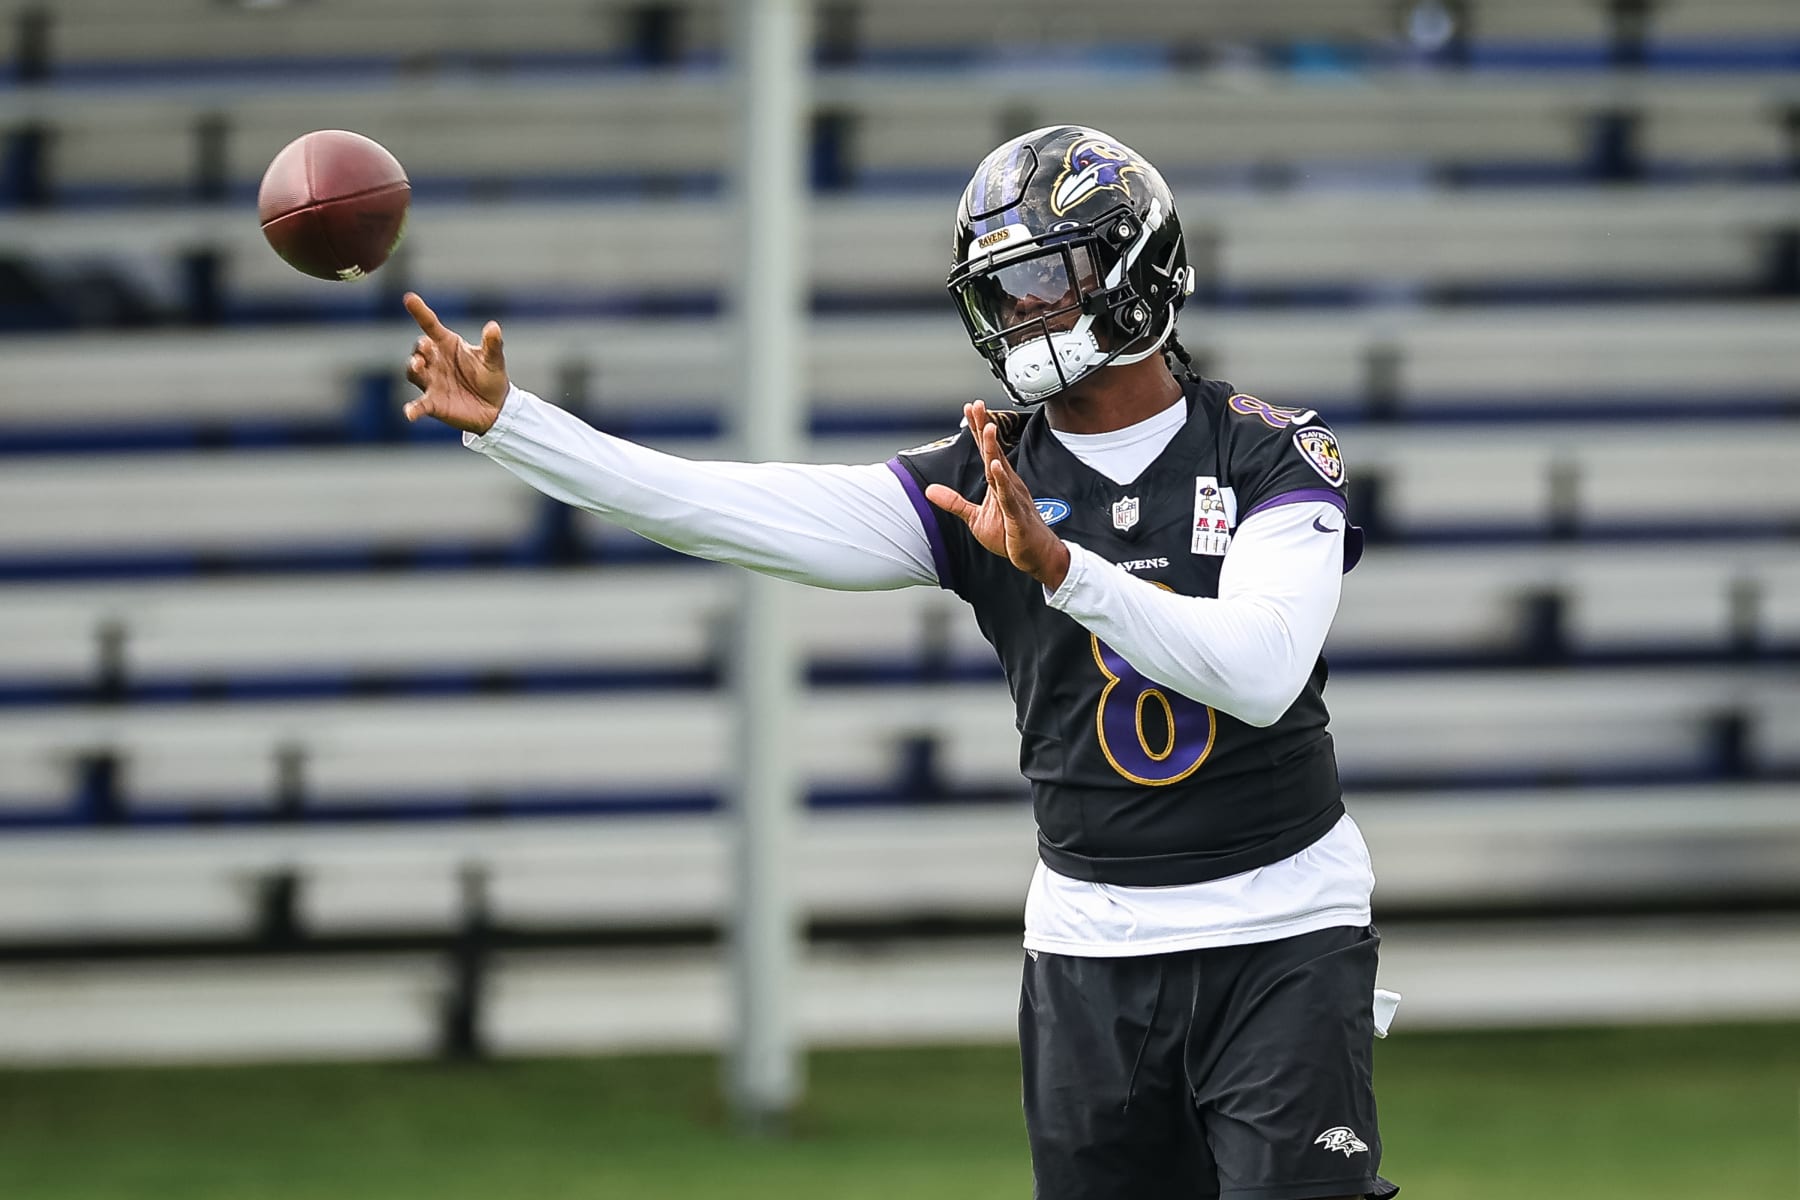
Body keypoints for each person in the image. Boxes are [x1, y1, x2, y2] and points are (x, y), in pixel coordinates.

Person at [401, 123, 1396, 1200]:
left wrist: (1065, 569)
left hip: (1283, 921)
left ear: (1133, 267)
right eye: (1003, 287)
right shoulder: (980, 474)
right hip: (1091, 936)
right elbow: (723, 507)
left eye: (1047, 276)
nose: (1023, 309)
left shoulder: (1271, 451)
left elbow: (1259, 670)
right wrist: (517, 425)